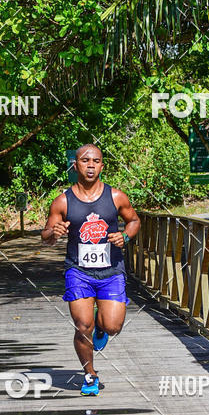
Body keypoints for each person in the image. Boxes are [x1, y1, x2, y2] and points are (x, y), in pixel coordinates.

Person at [41, 144, 140, 396]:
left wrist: (125, 238)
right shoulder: (63, 200)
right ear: (76, 165)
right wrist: (54, 232)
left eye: (96, 161)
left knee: (113, 327)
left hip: (111, 270)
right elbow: (46, 235)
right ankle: (89, 374)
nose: (91, 165)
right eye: (85, 160)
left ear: (102, 166)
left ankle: (101, 325)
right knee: (81, 324)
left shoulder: (116, 197)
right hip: (79, 271)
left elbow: (134, 221)